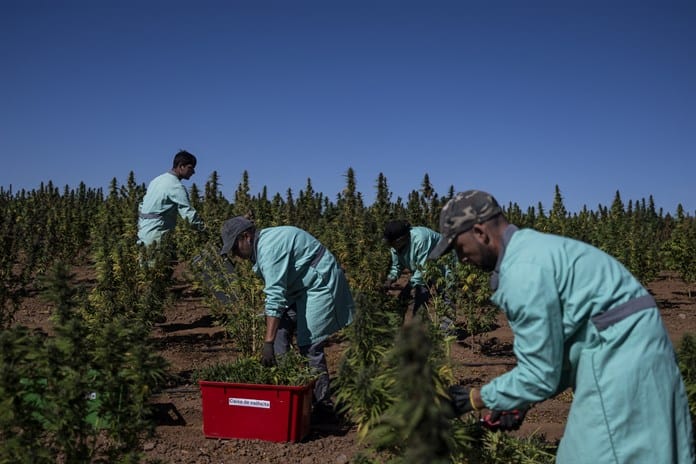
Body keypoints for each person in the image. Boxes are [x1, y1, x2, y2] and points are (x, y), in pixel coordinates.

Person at [428, 190, 694, 463]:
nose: (461, 260)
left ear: (479, 232)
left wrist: (473, 398)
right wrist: (517, 400)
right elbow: (571, 344)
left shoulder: (522, 272)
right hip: (633, 354)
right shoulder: (533, 250)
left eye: (459, 249)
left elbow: (540, 373)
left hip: (620, 366)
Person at [220, 216, 355, 413]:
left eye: (235, 247)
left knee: (309, 344)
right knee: (280, 334)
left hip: (319, 284)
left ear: (246, 237)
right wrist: (271, 341)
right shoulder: (262, 248)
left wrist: (266, 343)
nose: (235, 254)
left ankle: (322, 405)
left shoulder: (269, 250)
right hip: (299, 289)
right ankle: (284, 389)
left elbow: (275, 296)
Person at [383, 220, 452, 326]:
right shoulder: (395, 247)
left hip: (444, 264)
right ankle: (421, 330)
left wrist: (408, 287)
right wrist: (389, 280)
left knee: (445, 295)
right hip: (424, 269)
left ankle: (447, 334)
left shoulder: (421, 239)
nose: (391, 246)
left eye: (392, 243)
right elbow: (397, 266)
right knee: (419, 298)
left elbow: (423, 269)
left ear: (401, 239)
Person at [137, 150, 204, 247]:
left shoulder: (156, 180)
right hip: (157, 236)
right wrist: (205, 230)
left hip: (143, 234)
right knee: (160, 262)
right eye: (190, 168)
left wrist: (141, 227)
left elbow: (141, 206)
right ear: (181, 166)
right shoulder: (176, 186)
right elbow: (189, 216)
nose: (193, 172)